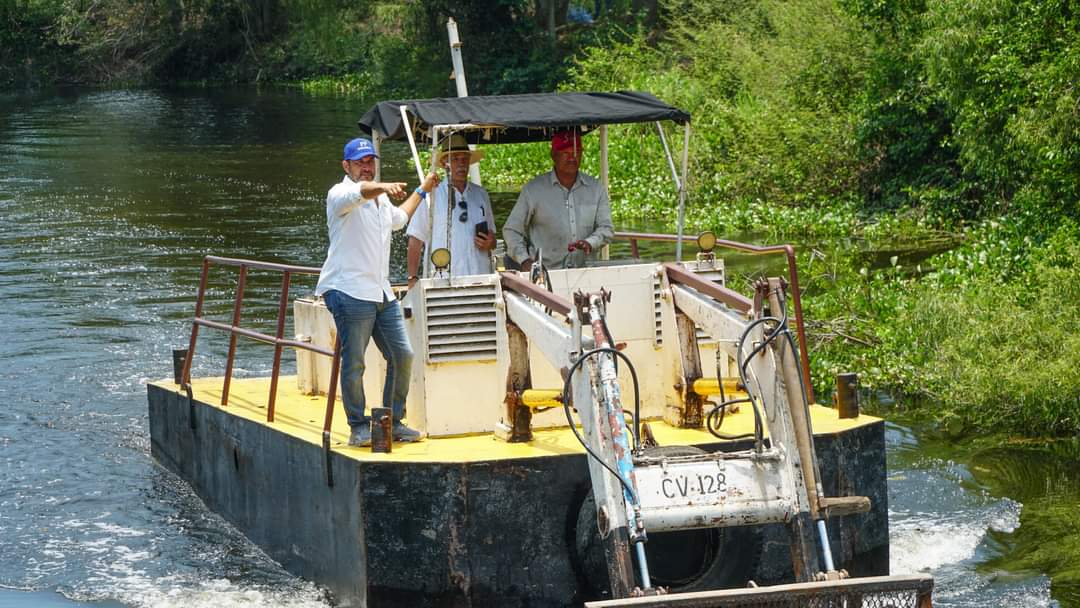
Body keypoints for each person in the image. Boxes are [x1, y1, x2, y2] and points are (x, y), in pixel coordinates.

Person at [315, 137, 440, 447]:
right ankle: (358, 426)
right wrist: (382, 186)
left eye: (370, 162)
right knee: (355, 360)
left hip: (380, 292)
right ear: (346, 166)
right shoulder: (340, 193)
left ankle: (391, 421)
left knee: (403, 355)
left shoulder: (380, 200)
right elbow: (361, 192)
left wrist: (422, 190)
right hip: (348, 290)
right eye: (360, 162)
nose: (367, 167)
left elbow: (399, 220)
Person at [503, 129, 614, 271]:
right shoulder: (533, 190)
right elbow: (511, 230)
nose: (572, 158)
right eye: (566, 153)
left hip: (585, 273)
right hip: (545, 275)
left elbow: (606, 229)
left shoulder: (596, 188)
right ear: (553, 155)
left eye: (576, 152)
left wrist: (590, 242)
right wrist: (524, 261)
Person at [406, 134, 496, 285]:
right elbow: (415, 240)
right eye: (455, 159)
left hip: (480, 277)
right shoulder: (430, 196)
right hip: (442, 280)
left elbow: (492, 235)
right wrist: (412, 278)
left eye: (464, 159)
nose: (461, 164)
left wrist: (490, 242)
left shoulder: (481, 194)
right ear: (444, 163)